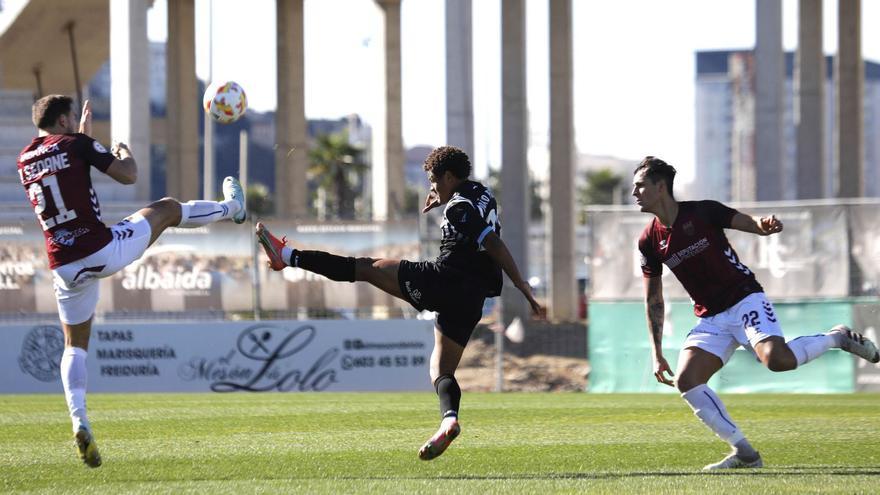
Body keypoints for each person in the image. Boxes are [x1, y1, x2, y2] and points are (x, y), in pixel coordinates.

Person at [255, 145, 543, 460]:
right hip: (471, 297)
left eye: (434, 180)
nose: (431, 186)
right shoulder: (481, 192)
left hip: (444, 281)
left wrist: (523, 287)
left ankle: (286, 256)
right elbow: (476, 220)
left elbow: (492, 243)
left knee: (363, 267)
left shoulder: (457, 208)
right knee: (441, 368)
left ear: (448, 176)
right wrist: (444, 198)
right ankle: (449, 420)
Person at [17, 95, 248, 468]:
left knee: (74, 346)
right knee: (168, 209)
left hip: (64, 266)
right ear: (63, 120)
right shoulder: (76, 143)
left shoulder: (24, 158)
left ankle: (79, 420)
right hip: (101, 250)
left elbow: (60, 170)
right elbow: (128, 175)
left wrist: (82, 142)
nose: (76, 122)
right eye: (72, 117)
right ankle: (232, 208)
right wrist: (118, 149)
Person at [632, 156, 879, 470]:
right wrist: (656, 353)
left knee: (779, 362)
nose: (635, 193)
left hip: (745, 298)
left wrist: (763, 226)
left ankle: (837, 338)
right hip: (711, 318)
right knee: (687, 380)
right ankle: (745, 454)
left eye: (640, 186)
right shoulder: (648, 241)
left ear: (660, 187)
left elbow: (748, 222)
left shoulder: (702, 211)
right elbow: (654, 299)